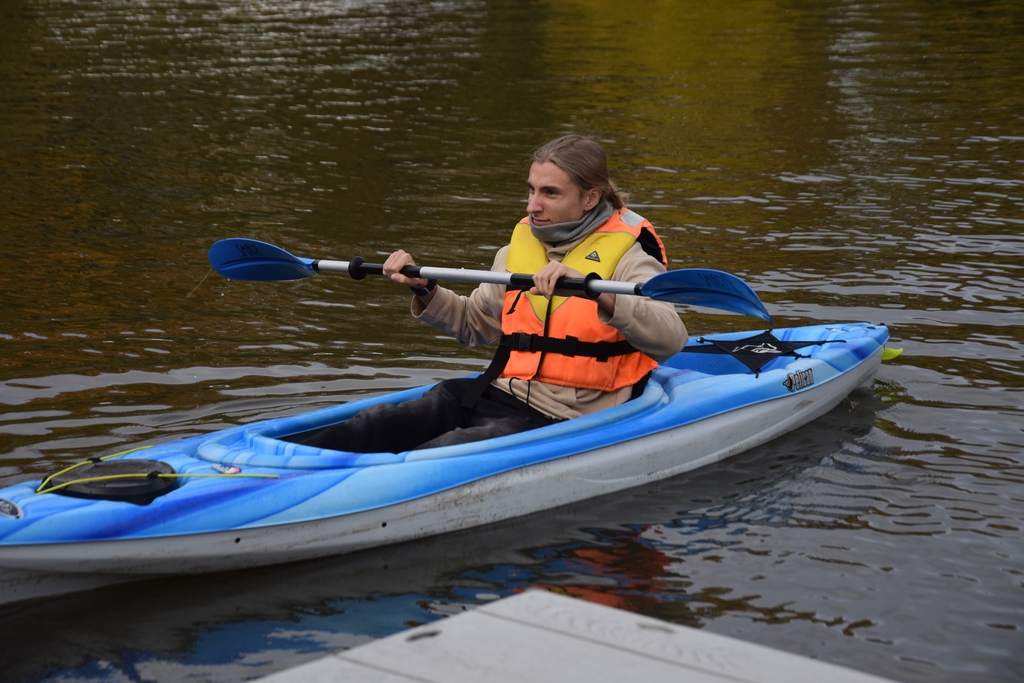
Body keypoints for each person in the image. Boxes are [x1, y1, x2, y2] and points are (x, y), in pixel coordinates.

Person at [289, 134, 688, 453]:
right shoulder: (515, 251)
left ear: (590, 198)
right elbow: (473, 324)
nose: (533, 206)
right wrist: (424, 288)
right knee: (375, 424)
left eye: (550, 193)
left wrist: (596, 291)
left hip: (564, 418)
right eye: (531, 190)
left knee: (444, 450)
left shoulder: (631, 258)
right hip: (496, 392)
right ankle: (283, 467)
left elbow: (671, 339)